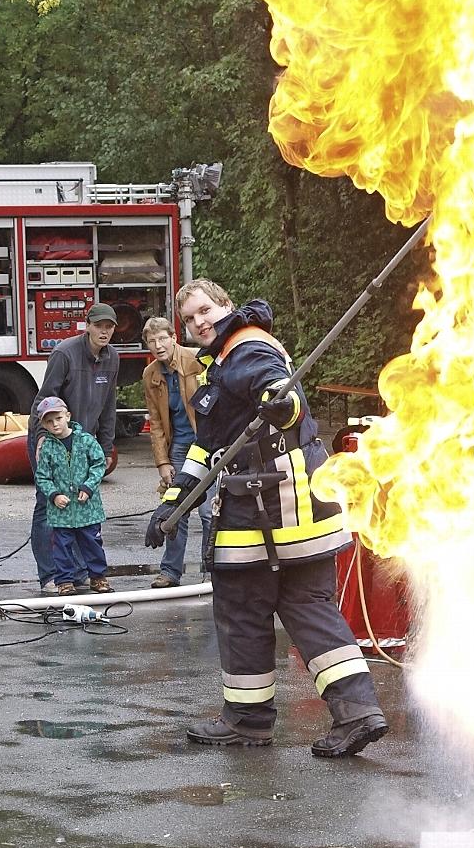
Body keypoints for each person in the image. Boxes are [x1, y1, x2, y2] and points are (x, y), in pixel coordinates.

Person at [145, 279, 388, 758]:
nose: (198, 322)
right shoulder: (222, 364)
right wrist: (174, 501)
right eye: (190, 320)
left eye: (204, 310)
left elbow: (282, 397)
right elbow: (208, 446)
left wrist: (282, 403)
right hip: (301, 512)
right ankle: (358, 711)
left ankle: (248, 721)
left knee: (241, 607)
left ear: (225, 306)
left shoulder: (247, 347)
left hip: (270, 514)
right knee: (309, 608)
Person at [28, 302, 120, 595]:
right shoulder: (64, 353)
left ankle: (78, 573)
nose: (104, 331)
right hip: (50, 436)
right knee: (48, 504)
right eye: (99, 325)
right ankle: (50, 576)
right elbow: (45, 400)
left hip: (81, 440)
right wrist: (42, 437)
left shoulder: (112, 358)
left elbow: (108, 406)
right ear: (88, 325)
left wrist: (105, 447)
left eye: (110, 327)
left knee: (81, 503)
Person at [141, 316, 212, 587]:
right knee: (175, 509)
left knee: (208, 512)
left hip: (207, 443)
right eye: (152, 340)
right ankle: (170, 572)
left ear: (174, 337)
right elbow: (156, 422)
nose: (158, 345)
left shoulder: (198, 361)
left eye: (162, 338)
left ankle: (212, 571)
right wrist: (162, 461)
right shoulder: (151, 375)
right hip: (179, 447)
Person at [33, 397, 112, 595]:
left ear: (67, 416)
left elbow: (99, 464)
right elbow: (42, 476)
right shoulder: (48, 448)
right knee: (61, 547)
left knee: (92, 543)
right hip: (61, 511)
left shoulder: (85, 440)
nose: (55, 424)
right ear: (44, 424)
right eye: (49, 422)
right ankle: (65, 581)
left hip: (88, 509)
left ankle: (98, 577)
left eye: (58, 418)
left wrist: (88, 486)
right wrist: (54, 495)